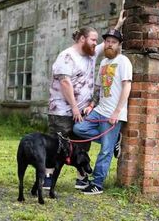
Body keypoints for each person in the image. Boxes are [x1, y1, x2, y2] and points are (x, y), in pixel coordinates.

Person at [45, 11, 126, 190]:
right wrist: (74, 108)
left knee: (81, 145)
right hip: (61, 111)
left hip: (82, 111)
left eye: (97, 41)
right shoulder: (66, 56)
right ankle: (47, 179)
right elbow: (65, 83)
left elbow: (108, 43)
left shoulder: (90, 53)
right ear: (82, 39)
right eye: (92, 40)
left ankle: (81, 179)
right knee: (55, 146)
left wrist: (118, 25)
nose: (96, 44)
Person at [73, 28, 132, 195]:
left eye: (113, 42)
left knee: (105, 150)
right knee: (79, 129)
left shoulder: (124, 61)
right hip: (99, 110)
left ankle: (97, 184)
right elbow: (99, 88)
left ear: (119, 45)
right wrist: (92, 104)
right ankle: (113, 140)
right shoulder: (104, 63)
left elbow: (127, 87)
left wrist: (117, 112)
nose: (109, 44)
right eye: (107, 41)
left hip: (113, 114)